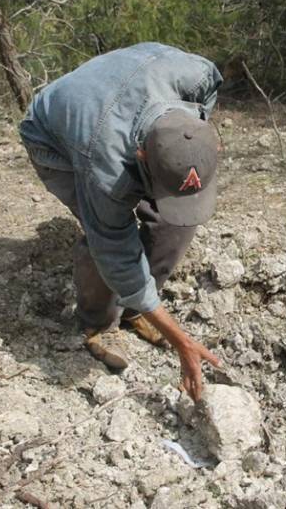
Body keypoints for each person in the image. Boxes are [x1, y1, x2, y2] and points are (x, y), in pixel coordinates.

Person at [19, 42, 223, 401]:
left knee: (178, 221)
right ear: (142, 155)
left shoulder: (199, 77)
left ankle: (136, 308)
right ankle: (98, 322)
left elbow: (206, 101)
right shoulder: (106, 165)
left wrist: (185, 148)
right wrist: (183, 342)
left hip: (138, 83)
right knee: (104, 235)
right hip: (53, 134)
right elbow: (115, 248)